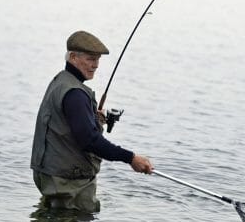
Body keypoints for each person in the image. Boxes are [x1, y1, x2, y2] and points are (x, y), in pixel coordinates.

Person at [31, 30, 154, 212]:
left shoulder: (60, 81)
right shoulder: (75, 94)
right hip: (67, 183)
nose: (95, 65)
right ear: (73, 57)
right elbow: (90, 140)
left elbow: (64, 123)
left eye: (97, 60)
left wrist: (92, 117)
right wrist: (131, 158)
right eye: (90, 59)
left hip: (48, 175)